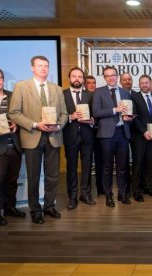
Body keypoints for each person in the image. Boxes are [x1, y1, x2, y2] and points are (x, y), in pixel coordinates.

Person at [9, 55, 68, 224]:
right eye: (40, 65)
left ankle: (49, 206)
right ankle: (35, 210)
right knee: (33, 177)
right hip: (32, 136)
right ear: (32, 68)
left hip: (54, 137)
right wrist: (34, 124)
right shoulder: (21, 86)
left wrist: (59, 126)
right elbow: (13, 113)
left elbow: (64, 113)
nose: (44, 68)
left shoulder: (56, 89)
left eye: (46, 66)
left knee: (53, 176)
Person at [92, 66, 133, 207]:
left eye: (113, 75)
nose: (111, 77)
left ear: (117, 76)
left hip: (123, 132)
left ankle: (122, 193)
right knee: (107, 167)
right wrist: (115, 110)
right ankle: (108, 195)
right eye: (107, 75)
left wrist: (129, 118)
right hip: (107, 135)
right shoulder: (98, 92)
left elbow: (128, 111)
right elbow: (96, 112)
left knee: (122, 167)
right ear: (104, 77)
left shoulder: (124, 92)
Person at [62, 67, 96, 210]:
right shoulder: (61, 94)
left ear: (83, 79)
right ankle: (72, 197)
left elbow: (96, 115)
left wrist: (92, 121)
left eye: (80, 77)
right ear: (69, 78)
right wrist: (71, 117)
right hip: (70, 136)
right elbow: (58, 115)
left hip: (87, 135)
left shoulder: (90, 95)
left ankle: (86, 194)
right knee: (71, 168)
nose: (77, 79)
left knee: (87, 166)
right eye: (74, 76)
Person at [0, 67, 25, 226]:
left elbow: (23, 116)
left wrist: (17, 125)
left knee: (12, 180)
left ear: (3, 79)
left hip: (14, 145)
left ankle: (9, 207)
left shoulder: (13, 96)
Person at [131, 74, 152, 202]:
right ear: (139, 85)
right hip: (140, 136)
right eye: (142, 83)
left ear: (150, 84)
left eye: (146, 82)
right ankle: (137, 191)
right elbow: (134, 117)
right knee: (138, 163)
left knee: (150, 162)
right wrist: (144, 131)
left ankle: (148, 187)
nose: (144, 85)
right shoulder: (134, 97)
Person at [84, 76, 104, 195]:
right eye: (89, 83)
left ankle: (101, 188)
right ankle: (87, 190)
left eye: (94, 83)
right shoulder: (82, 97)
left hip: (99, 133)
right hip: (86, 135)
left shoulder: (99, 95)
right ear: (84, 84)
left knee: (100, 162)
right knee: (87, 164)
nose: (92, 85)